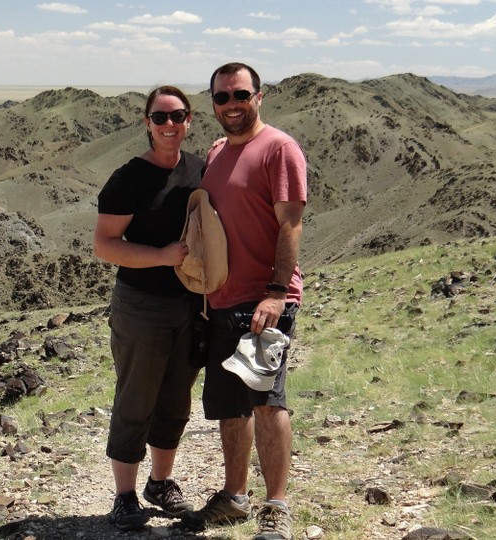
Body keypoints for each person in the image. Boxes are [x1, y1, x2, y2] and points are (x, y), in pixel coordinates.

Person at [180, 62, 307, 540]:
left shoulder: (279, 148)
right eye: (221, 97)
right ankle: (235, 497)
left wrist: (276, 293)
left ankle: (277, 506)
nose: (231, 105)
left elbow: (291, 223)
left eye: (240, 94)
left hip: (262, 299)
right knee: (229, 405)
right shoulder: (217, 151)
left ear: (259, 95)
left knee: (266, 402)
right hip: (220, 299)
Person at [93, 85, 205, 531]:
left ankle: (160, 483)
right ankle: (124, 495)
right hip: (141, 303)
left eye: (177, 116)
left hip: (191, 302)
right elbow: (105, 244)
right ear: (147, 123)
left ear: (189, 120)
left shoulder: (200, 168)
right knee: (136, 397)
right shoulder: (128, 179)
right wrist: (161, 256)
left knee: (176, 397)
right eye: (160, 118)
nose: (169, 125)